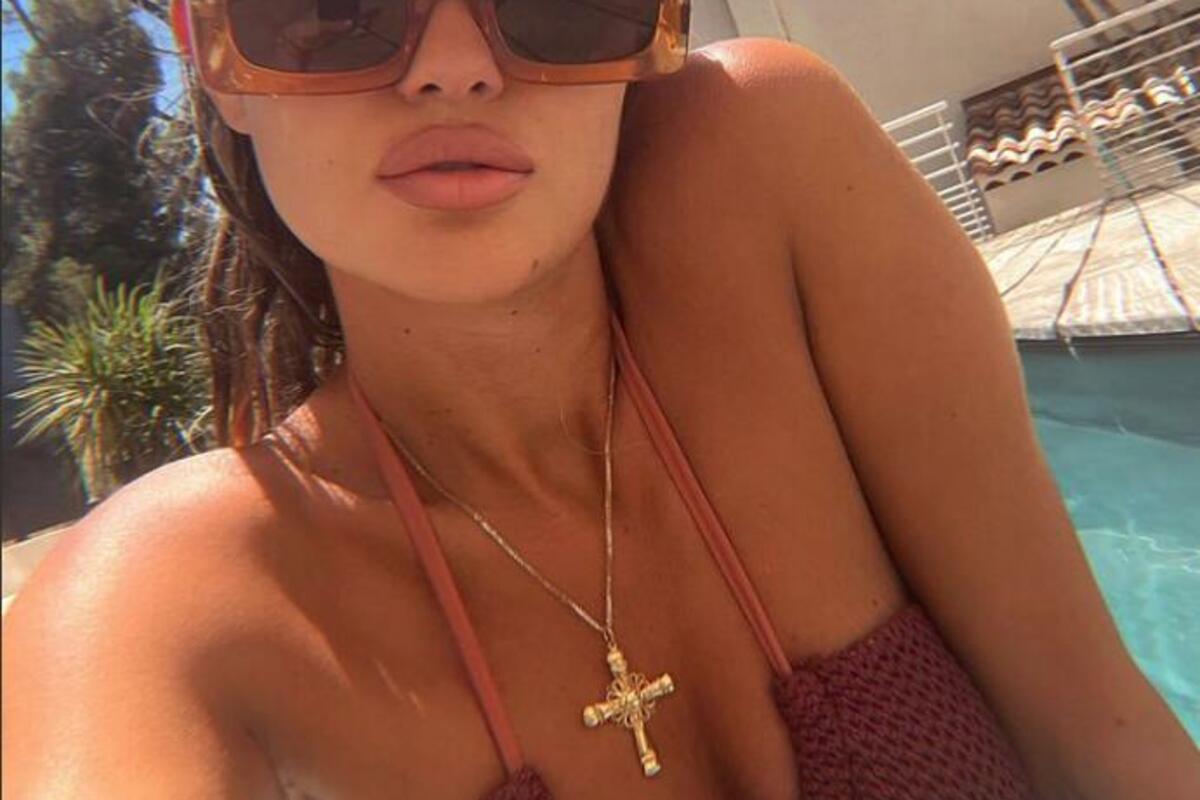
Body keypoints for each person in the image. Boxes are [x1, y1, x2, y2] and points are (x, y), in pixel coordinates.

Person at [3, 1, 1197, 798]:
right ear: (215, 51)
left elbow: (1101, 738)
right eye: (337, 0)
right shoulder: (172, 600)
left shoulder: (767, 173)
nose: (455, 62)